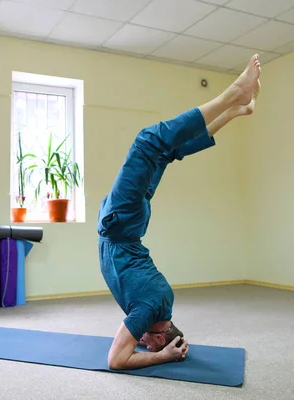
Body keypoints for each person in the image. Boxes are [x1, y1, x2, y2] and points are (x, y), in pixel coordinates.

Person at [97, 54, 262, 370]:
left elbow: (131, 347)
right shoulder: (148, 312)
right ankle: (233, 96)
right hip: (121, 225)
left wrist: (164, 347)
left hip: (127, 222)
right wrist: (162, 356)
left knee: (165, 151)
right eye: (149, 343)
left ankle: (237, 110)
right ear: (159, 338)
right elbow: (116, 360)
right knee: (149, 141)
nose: (142, 343)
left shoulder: (162, 303)